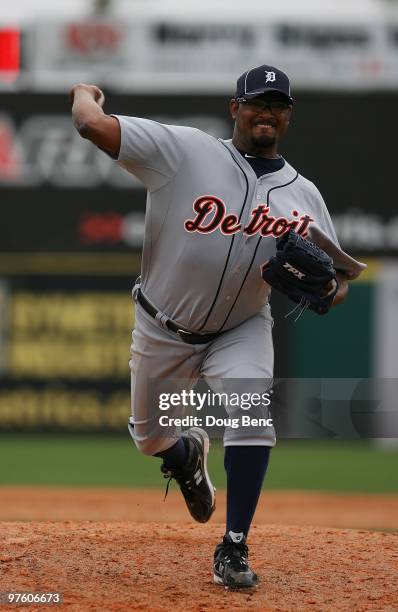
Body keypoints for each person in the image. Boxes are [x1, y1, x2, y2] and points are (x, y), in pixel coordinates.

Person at [70, 65, 348, 589]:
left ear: (288, 116)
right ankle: (186, 454)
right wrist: (84, 95)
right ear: (234, 108)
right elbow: (92, 126)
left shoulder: (304, 195)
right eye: (257, 102)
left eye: (278, 105)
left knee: (252, 416)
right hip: (161, 326)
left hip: (241, 327)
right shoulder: (185, 151)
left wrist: (327, 289)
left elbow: (338, 280)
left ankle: (234, 546)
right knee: (150, 438)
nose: (267, 111)